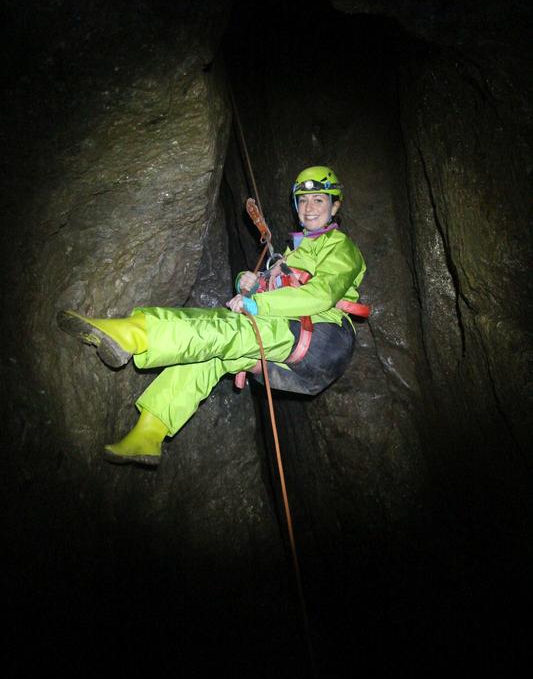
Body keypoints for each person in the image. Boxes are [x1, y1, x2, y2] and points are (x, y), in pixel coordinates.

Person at [57, 166, 366, 466]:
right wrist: (250, 283)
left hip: (325, 339)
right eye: (303, 201)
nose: (309, 208)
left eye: (319, 200)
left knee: (225, 328)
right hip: (295, 353)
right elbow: (273, 293)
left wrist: (257, 306)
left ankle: (134, 333)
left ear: (334, 205)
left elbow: (321, 295)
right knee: (211, 355)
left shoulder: (341, 247)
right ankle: (149, 432)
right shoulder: (292, 254)